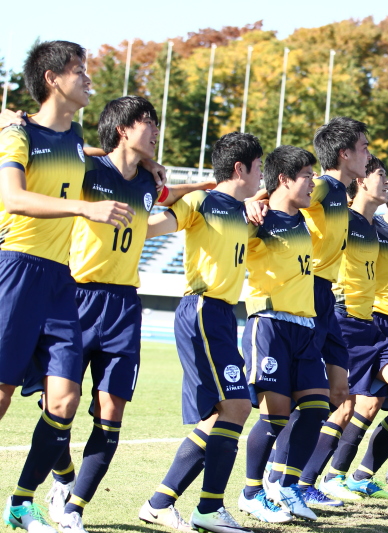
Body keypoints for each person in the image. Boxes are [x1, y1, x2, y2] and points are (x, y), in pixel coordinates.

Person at [36, 96, 211, 533]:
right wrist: (102, 152)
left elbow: (166, 194)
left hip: (124, 307)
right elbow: (65, 154)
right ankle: (61, 478)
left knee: (111, 411)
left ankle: (74, 508)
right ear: (122, 129)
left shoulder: (149, 185)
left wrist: (203, 188)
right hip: (75, 298)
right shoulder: (89, 171)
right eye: (147, 122)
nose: (155, 130)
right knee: (57, 404)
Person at [1, 40, 136, 533]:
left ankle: (20, 503)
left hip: (61, 281)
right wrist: (84, 207)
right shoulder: (17, 135)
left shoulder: (77, 138)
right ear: (53, 79)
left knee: (63, 402)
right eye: (80, 71)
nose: (89, 79)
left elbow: (86, 154)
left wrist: (143, 161)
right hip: (16, 270)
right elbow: (12, 197)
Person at [139, 132, 263, 533]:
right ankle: (209, 508)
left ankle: (160, 502)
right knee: (238, 406)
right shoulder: (202, 202)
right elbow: (155, 226)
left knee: (222, 413)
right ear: (240, 168)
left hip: (224, 315)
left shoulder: (246, 211)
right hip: (204, 309)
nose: (262, 176)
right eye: (259, 168)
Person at [303, 157, 388, 503]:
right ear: (360, 180)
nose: (385, 183)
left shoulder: (376, 227)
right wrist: (260, 201)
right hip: (347, 319)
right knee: (346, 406)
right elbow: (297, 206)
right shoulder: (343, 215)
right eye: (380, 176)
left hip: (374, 326)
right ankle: (305, 482)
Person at [255, 118, 370, 506]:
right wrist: (252, 204)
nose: (369, 155)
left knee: (337, 394)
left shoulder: (342, 193)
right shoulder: (321, 185)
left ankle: (297, 481)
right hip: (306, 293)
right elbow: (275, 196)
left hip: (328, 298)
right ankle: (278, 480)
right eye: (365, 148)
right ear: (345, 153)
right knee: (296, 399)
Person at [238, 145, 327, 523]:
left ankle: (287, 486)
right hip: (269, 323)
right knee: (275, 414)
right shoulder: (258, 219)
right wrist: (249, 204)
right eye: (307, 176)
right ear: (284, 180)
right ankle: (251, 492)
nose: (313, 183)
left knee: (317, 406)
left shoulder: (303, 220)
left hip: (305, 327)